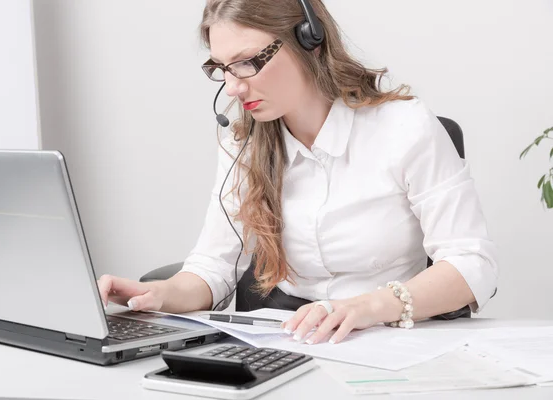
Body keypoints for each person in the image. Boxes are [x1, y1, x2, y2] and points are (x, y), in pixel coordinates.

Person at [97, 0, 498, 346]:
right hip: (290, 341)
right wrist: (155, 295)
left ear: (308, 39)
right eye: (221, 68)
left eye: (247, 63)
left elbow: (472, 265)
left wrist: (367, 306)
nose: (233, 88)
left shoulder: (404, 127)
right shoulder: (244, 144)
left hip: (389, 339)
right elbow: (215, 266)